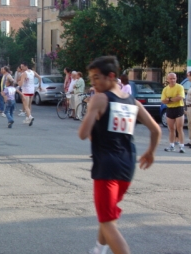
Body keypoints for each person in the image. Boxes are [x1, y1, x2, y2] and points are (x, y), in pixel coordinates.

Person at [78, 56, 161, 254]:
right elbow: (156, 130)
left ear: (112, 76)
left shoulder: (100, 98)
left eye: (97, 77)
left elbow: (82, 133)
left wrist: (92, 109)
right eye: (91, 78)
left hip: (106, 167)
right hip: (127, 166)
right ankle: (98, 250)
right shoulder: (133, 101)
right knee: (108, 215)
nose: (94, 82)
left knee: (106, 221)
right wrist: (151, 152)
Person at [161, 73, 186, 153]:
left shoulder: (180, 87)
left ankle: (182, 146)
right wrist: (172, 99)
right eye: (171, 78)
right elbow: (163, 100)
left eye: (174, 78)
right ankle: (172, 145)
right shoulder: (165, 89)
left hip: (179, 108)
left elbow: (180, 97)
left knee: (179, 128)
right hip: (170, 109)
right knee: (171, 129)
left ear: (176, 79)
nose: (172, 80)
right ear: (167, 79)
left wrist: (169, 99)